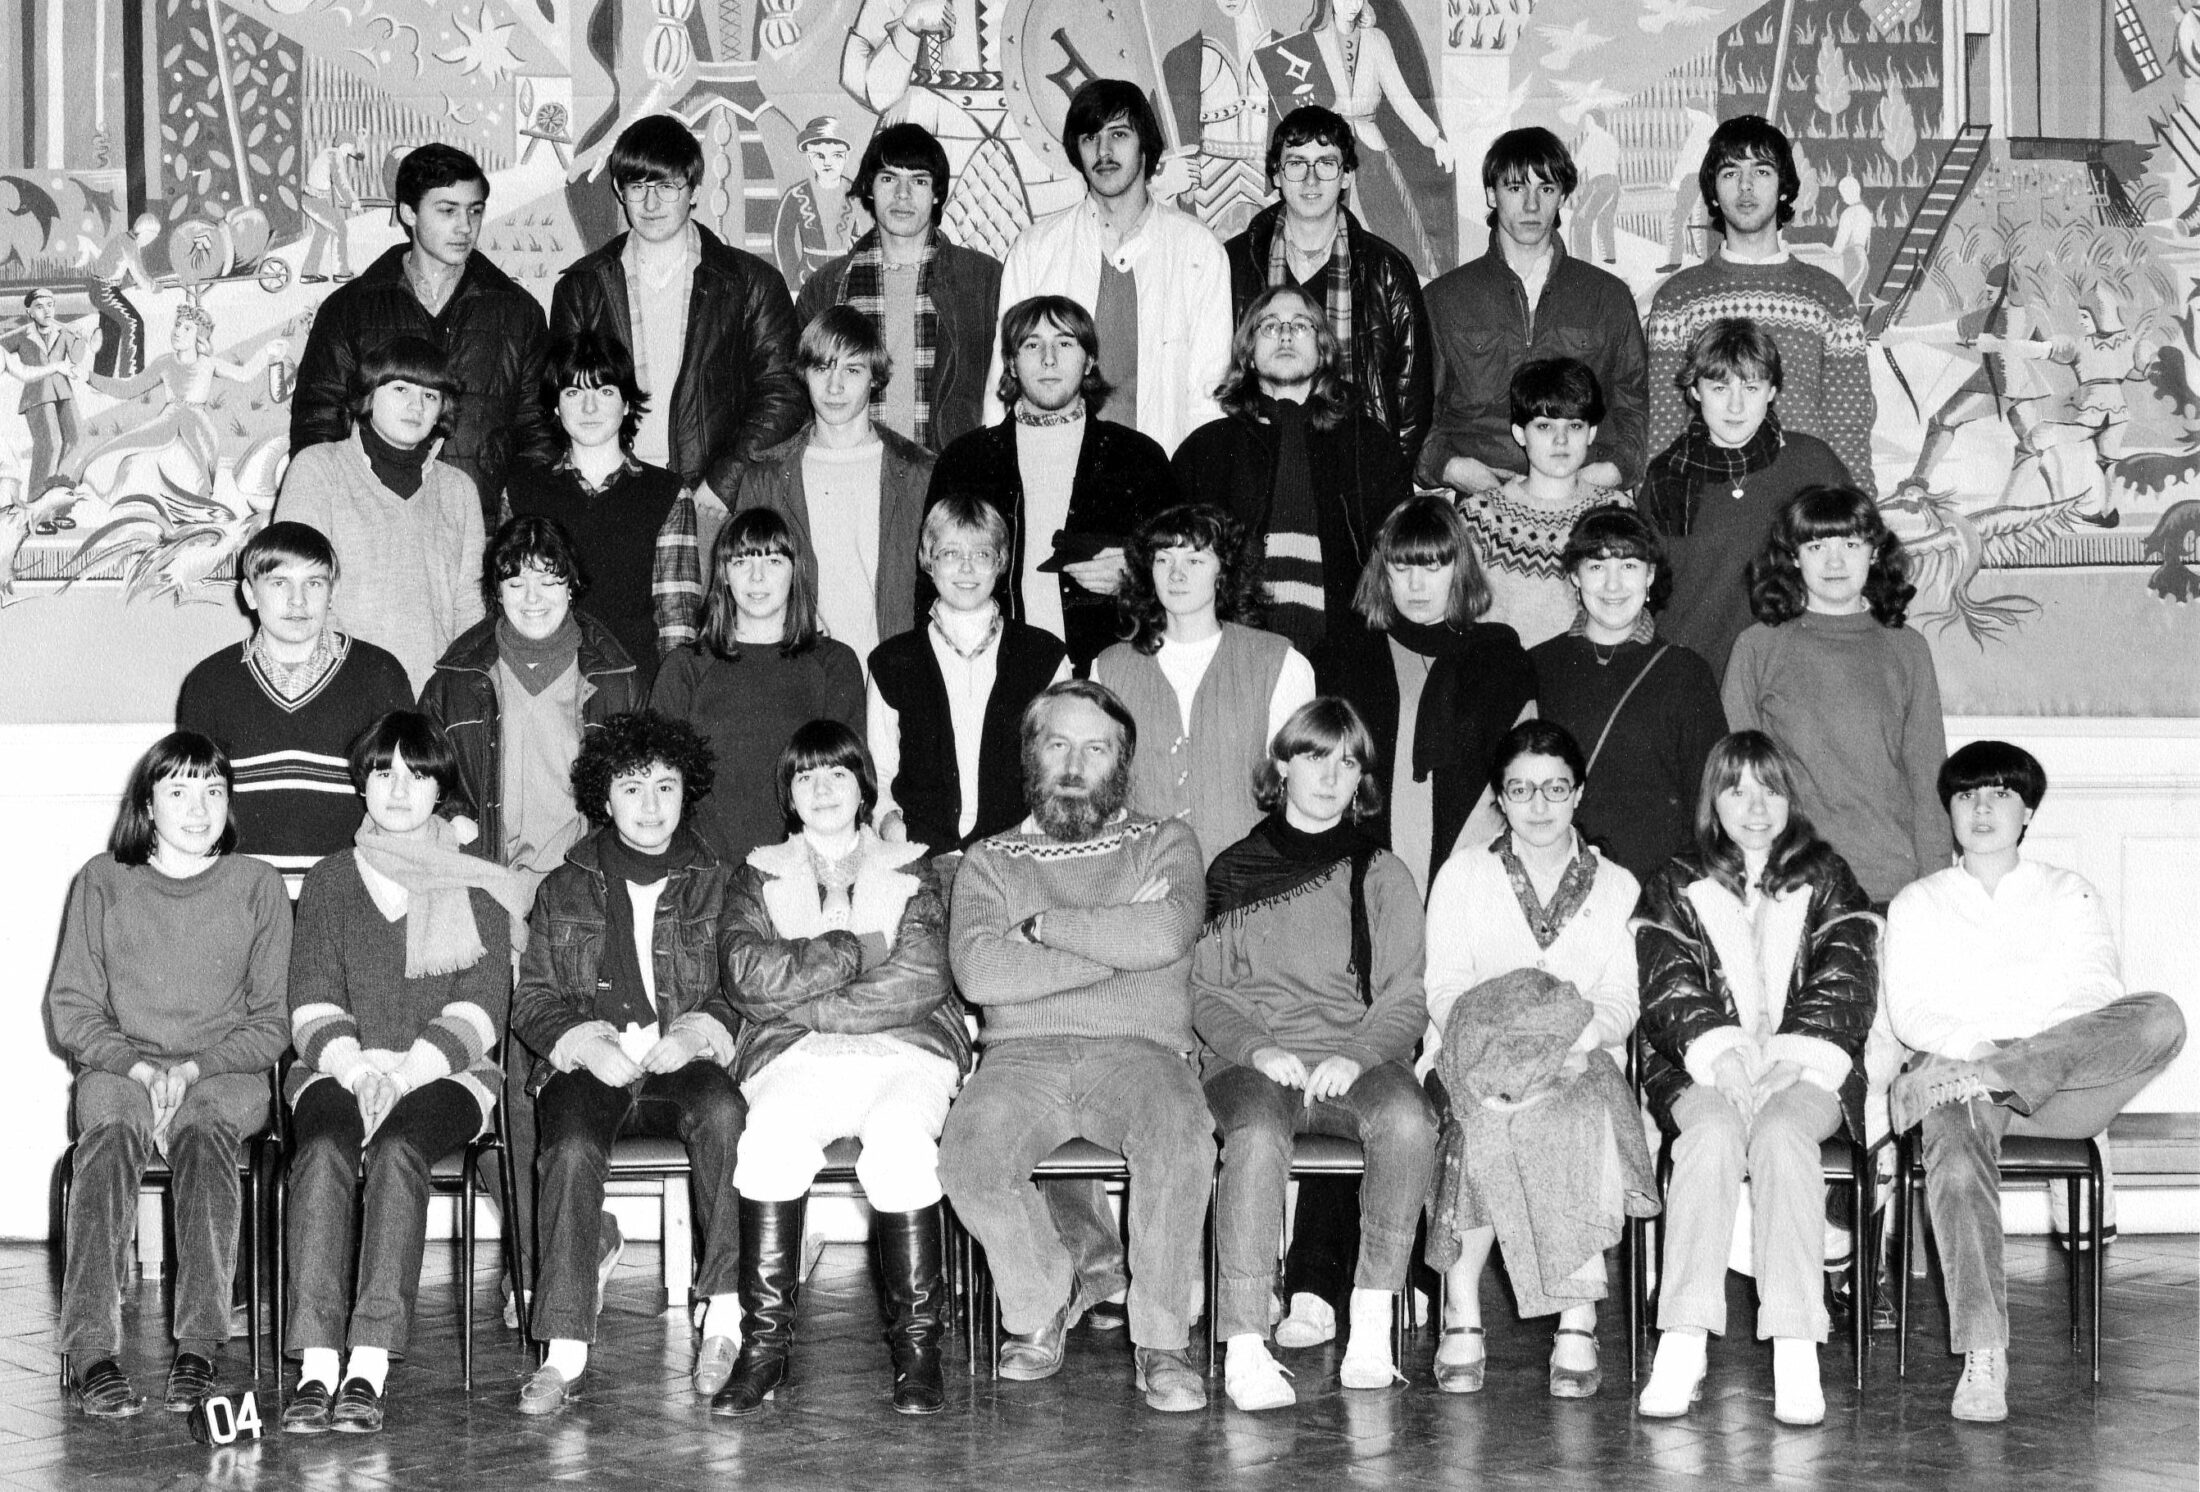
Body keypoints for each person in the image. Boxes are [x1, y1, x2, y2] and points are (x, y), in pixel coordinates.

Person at [1885, 741, 2187, 1423]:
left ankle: (1992, 1077)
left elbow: (2095, 991)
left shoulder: (2067, 890)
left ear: (2027, 812)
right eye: (1967, 795)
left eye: (2000, 793)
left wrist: (2010, 1064)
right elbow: (1911, 1010)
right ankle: (1984, 1354)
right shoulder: (1919, 902)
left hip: (2055, 1085)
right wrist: (1977, 1050)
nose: (1982, 808)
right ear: (1950, 810)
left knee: (2161, 1016)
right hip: (1958, 1069)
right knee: (1955, 1142)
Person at [937, 680, 1215, 1411]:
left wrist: (1040, 928)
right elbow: (980, 973)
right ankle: (1041, 1299)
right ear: (1032, 754)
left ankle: (1162, 1342)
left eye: (1096, 749)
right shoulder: (989, 860)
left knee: (1181, 1135)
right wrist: (1117, 943)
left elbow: (1166, 933)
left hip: (1140, 1051)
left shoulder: (1167, 841)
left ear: (1122, 762)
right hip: (1020, 1058)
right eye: (1058, 743)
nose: (1073, 764)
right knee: (968, 1157)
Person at [280, 712, 529, 1435]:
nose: (398, 789)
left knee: (397, 1150)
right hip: (339, 1068)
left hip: (447, 1074)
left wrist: (406, 1075)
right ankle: (316, 1365)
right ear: (361, 782)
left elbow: (481, 1009)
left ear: (439, 789)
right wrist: (360, 1073)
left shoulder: (478, 883)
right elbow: (311, 1001)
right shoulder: (330, 880)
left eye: (417, 774)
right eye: (383, 772)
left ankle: (367, 1366)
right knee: (322, 1149)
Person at [715, 721, 969, 1417]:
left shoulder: (919, 866)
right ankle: (763, 1350)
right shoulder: (756, 872)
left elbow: (920, 978)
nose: (822, 788)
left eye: (837, 773)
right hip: (793, 1057)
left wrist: (805, 1001)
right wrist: (858, 949)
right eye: (805, 776)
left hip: (906, 1050)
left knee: (901, 1143)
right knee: (768, 1141)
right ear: (788, 794)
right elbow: (746, 976)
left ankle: (918, 1351)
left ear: (864, 787)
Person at [1634, 730, 1879, 1428]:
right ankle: (1683, 1340)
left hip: (1809, 1069)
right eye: (1736, 790)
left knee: (1780, 1137)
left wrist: (1795, 1057)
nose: (1755, 806)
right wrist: (1724, 1056)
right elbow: (1668, 984)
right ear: (1712, 800)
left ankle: (1796, 1345)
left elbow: (1848, 973)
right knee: (1710, 1135)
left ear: (1789, 798)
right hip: (1700, 1065)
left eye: (1769, 789)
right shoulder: (1675, 880)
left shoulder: (1827, 875)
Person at [1196, 698, 1435, 1410]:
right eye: (1314, 757)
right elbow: (1206, 993)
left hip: (1354, 1063)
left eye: (1348, 762)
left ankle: (1371, 1322)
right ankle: (1244, 1345)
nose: (1331, 777)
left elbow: (1406, 998)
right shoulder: (1233, 870)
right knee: (1255, 1133)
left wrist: (1358, 1055)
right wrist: (1256, 1047)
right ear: (1282, 766)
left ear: (1362, 779)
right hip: (1252, 1064)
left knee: (1409, 1122)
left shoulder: (1383, 873)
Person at [509, 711, 747, 1415]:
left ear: (685, 793)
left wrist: (697, 1033)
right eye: (632, 788)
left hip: (681, 1061)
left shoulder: (720, 882)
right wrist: (584, 1043)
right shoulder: (563, 886)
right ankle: (564, 1350)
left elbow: (740, 987)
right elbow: (533, 998)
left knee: (724, 1113)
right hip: (593, 1062)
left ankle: (725, 1318)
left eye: (665, 787)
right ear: (604, 799)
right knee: (570, 1147)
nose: (650, 805)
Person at [48, 732, 290, 1417]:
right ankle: (92, 1351)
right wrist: (135, 1066)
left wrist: (192, 1069)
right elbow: (71, 1009)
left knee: (207, 1133)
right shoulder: (102, 881)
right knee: (109, 1134)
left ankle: (200, 1345)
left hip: (221, 1069)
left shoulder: (258, 885)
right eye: (178, 791)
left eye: (214, 790)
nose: (198, 808)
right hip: (119, 1063)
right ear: (148, 806)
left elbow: (272, 1022)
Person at [1421, 720, 1649, 1400]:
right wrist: (1500, 1056)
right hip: (1471, 1054)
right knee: (1482, 1123)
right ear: (1500, 797)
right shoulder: (1464, 874)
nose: (1539, 805)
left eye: (1555, 788)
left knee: (1572, 1120)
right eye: (1521, 789)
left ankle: (1577, 1318)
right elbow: (1445, 988)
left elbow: (1621, 999)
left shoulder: (1617, 886)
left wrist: (1566, 1046)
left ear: (1578, 793)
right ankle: (1462, 1311)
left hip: (1579, 1055)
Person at [550, 114, 806, 518]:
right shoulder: (581, 287)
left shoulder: (752, 282)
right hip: (609, 495)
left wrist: (725, 481)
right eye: (638, 187)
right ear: (619, 190)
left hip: (711, 502)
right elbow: (560, 396)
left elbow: (783, 391)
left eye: (667, 187)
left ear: (695, 191)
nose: (651, 204)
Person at [290, 143, 552, 525]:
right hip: (372, 531)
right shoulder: (350, 309)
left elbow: (539, 437)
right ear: (408, 213)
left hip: (483, 532)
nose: (465, 227)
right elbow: (318, 429)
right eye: (447, 210)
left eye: (475, 211)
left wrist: (520, 535)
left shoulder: (519, 313)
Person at [1722, 485, 1946, 908]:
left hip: (1890, 886)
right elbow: (1736, 783)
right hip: (1788, 885)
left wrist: (1935, 889)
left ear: (1875, 553)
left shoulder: (1908, 648)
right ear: (1793, 556)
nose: (1835, 561)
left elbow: (1928, 777)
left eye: (1851, 544)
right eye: (1816, 546)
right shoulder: (1757, 647)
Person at [926, 294, 1177, 670]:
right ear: (1011, 363)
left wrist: (1139, 575)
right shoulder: (965, 461)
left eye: (1064, 343)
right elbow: (928, 582)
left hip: (1107, 674)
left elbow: (1187, 572)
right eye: (1032, 345)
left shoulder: (1139, 459)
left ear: (1089, 361)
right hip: (993, 674)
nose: (1048, 359)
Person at [986, 79, 1233, 453]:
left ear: (1145, 145)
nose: (1104, 151)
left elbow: (1210, 395)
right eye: (1090, 138)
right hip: (1052, 464)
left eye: (1119, 134)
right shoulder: (1035, 249)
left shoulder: (1198, 249)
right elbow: (1003, 380)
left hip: (1163, 471)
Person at [1171, 286, 1411, 660]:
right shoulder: (1206, 449)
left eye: (1300, 326)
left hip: (1349, 651)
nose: (1285, 335)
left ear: (1324, 350)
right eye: (1270, 326)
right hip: (1234, 653)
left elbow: (1400, 555)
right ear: (1248, 354)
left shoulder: (1368, 443)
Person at [176, 521, 415, 897]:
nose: (298, 601)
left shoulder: (380, 674)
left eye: (314, 583)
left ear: (332, 592)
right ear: (250, 594)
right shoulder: (209, 683)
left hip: (352, 900)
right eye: (279, 583)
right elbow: (192, 810)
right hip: (245, 902)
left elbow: (410, 800)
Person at [1644, 115, 1876, 496]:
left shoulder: (1828, 297)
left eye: (1762, 171)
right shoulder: (1678, 299)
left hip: (1804, 505)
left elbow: (1849, 429)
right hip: (1712, 504)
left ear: (1784, 189)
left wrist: (1859, 512)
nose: (1746, 186)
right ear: (1713, 193)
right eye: (1730, 173)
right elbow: (1664, 427)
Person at [1326, 494, 1536, 894]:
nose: (1416, 585)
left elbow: (1521, 784)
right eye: (1402, 567)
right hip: (1364, 874)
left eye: (1432, 567)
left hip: (1473, 875)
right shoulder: (1346, 657)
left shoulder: (1501, 661)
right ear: (1382, 572)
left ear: (1459, 569)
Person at [1419, 128, 1647, 496]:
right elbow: (1415, 414)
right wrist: (1451, 468)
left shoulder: (1608, 297)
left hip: (1585, 496)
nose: (1531, 205)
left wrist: (1609, 473)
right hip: (1480, 496)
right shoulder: (1444, 299)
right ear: (1491, 194)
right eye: (1515, 188)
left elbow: (1634, 406)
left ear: (1563, 197)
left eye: (1546, 189)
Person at [1093, 503, 1316, 867]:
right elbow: (1100, 794)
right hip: (1144, 880)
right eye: (1163, 559)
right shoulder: (1108, 668)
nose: (1176, 574)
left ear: (1222, 572)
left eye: (1194, 560)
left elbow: (1300, 795)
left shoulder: (1280, 664)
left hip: (1252, 881)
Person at [1637, 317, 1853, 682]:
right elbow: (1645, 594)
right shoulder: (1666, 477)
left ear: (1772, 391)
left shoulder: (1814, 463)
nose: (1735, 407)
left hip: (1792, 676)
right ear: (1695, 390)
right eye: (1720, 388)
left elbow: (1859, 568)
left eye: (1751, 387)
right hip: (1691, 676)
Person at [1221, 105, 1432, 469]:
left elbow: (1412, 400)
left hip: (1357, 464)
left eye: (1326, 163)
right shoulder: (1234, 263)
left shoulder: (1386, 270)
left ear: (1347, 175)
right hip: (1256, 458)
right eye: (1296, 163)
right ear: (1276, 175)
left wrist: (1383, 477)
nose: (1311, 180)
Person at [650, 507, 865, 863]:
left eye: (773, 561)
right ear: (724, 574)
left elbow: (852, 786)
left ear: (795, 571)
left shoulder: (834, 664)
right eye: (741, 562)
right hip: (706, 872)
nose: (757, 577)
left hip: (809, 869)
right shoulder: (684, 668)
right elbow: (659, 789)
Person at [1528, 506, 1728, 883]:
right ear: (1575, 575)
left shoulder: (1686, 672)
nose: (1613, 585)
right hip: (1554, 882)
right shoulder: (1537, 666)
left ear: (1650, 574)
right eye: (1597, 566)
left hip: (1658, 890)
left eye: (1629, 566)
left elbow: (1710, 802)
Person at [278, 335, 488, 693]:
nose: (416, 406)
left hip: (433, 698)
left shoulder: (459, 490)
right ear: (370, 395)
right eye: (401, 389)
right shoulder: (318, 469)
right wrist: (355, 685)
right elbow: (299, 596)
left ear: (443, 408)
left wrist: (455, 693)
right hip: (340, 688)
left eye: (430, 395)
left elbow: (469, 607)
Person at [728, 307, 936, 668]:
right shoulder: (765, 479)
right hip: (801, 675)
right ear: (804, 374)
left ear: (874, 377)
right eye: (822, 368)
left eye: (851, 370)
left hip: (896, 674)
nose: (834, 387)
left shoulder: (921, 473)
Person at [868, 495, 1071, 853]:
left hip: (1017, 854)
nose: (966, 568)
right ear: (928, 561)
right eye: (950, 553)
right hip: (921, 854)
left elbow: (1062, 765)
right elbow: (878, 774)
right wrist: (891, 826)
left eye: (981, 554)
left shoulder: (1044, 656)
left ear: (1000, 562)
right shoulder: (891, 662)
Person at [503, 330, 695, 693]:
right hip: (544, 688)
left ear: (627, 404)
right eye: (573, 393)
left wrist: (669, 702)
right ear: (556, 407)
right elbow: (506, 611)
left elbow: (677, 622)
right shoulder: (521, 492)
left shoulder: (668, 493)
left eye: (605, 392)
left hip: (636, 689)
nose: (589, 408)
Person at [797, 122, 1005, 453]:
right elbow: (801, 401)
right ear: (869, 188)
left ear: (937, 193)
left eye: (919, 181)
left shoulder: (983, 280)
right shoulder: (826, 286)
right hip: (853, 468)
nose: (902, 194)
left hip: (951, 471)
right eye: (889, 178)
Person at [1462, 357, 1632, 648]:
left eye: (1574, 426)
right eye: (1544, 426)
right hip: (1505, 670)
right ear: (1520, 433)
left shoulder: (1616, 511)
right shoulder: (1480, 516)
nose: (1561, 440)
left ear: (1591, 432)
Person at [2, 286, 91, 500]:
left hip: (64, 392)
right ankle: (37, 498)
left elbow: (76, 357)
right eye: (40, 307)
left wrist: (81, 338)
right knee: (50, 444)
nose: (46, 310)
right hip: (38, 395)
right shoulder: (22, 334)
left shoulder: (63, 332)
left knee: (77, 439)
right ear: (29, 312)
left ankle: (58, 491)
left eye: (50, 305)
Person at [774, 116, 860, 292]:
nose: (827, 162)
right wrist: (791, 284)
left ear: (846, 156)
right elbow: (782, 239)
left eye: (836, 155)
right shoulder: (796, 195)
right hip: (806, 279)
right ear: (809, 157)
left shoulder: (857, 195)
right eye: (819, 156)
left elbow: (867, 236)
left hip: (848, 279)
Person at [1570, 113, 1622, 266]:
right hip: (1613, 183)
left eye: (1587, 120)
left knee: (1580, 220)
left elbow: (1578, 166)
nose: (1585, 124)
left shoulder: (1592, 139)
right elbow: (1616, 158)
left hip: (1598, 183)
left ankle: (1581, 263)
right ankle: (1608, 260)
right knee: (1605, 222)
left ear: (1593, 121)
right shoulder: (1611, 139)